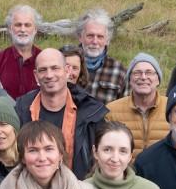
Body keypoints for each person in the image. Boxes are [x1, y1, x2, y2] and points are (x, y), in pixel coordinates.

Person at [15, 47, 109, 178]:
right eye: (43, 70)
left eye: (55, 68)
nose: (49, 75)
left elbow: (104, 157)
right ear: (36, 76)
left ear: (67, 71)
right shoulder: (21, 110)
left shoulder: (91, 111)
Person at [105, 53, 167, 152]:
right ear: (129, 80)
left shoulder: (172, 109)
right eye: (137, 73)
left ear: (158, 80)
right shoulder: (111, 111)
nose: (143, 77)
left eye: (149, 72)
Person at [73, 7, 128, 102]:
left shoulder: (120, 72)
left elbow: (126, 110)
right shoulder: (63, 65)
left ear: (107, 39)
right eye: (90, 36)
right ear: (80, 36)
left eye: (100, 37)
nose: (95, 41)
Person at [0, 4, 44, 98]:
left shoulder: (45, 59)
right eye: (18, 25)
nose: (22, 30)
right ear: (10, 29)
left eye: (27, 25)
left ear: (35, 29)